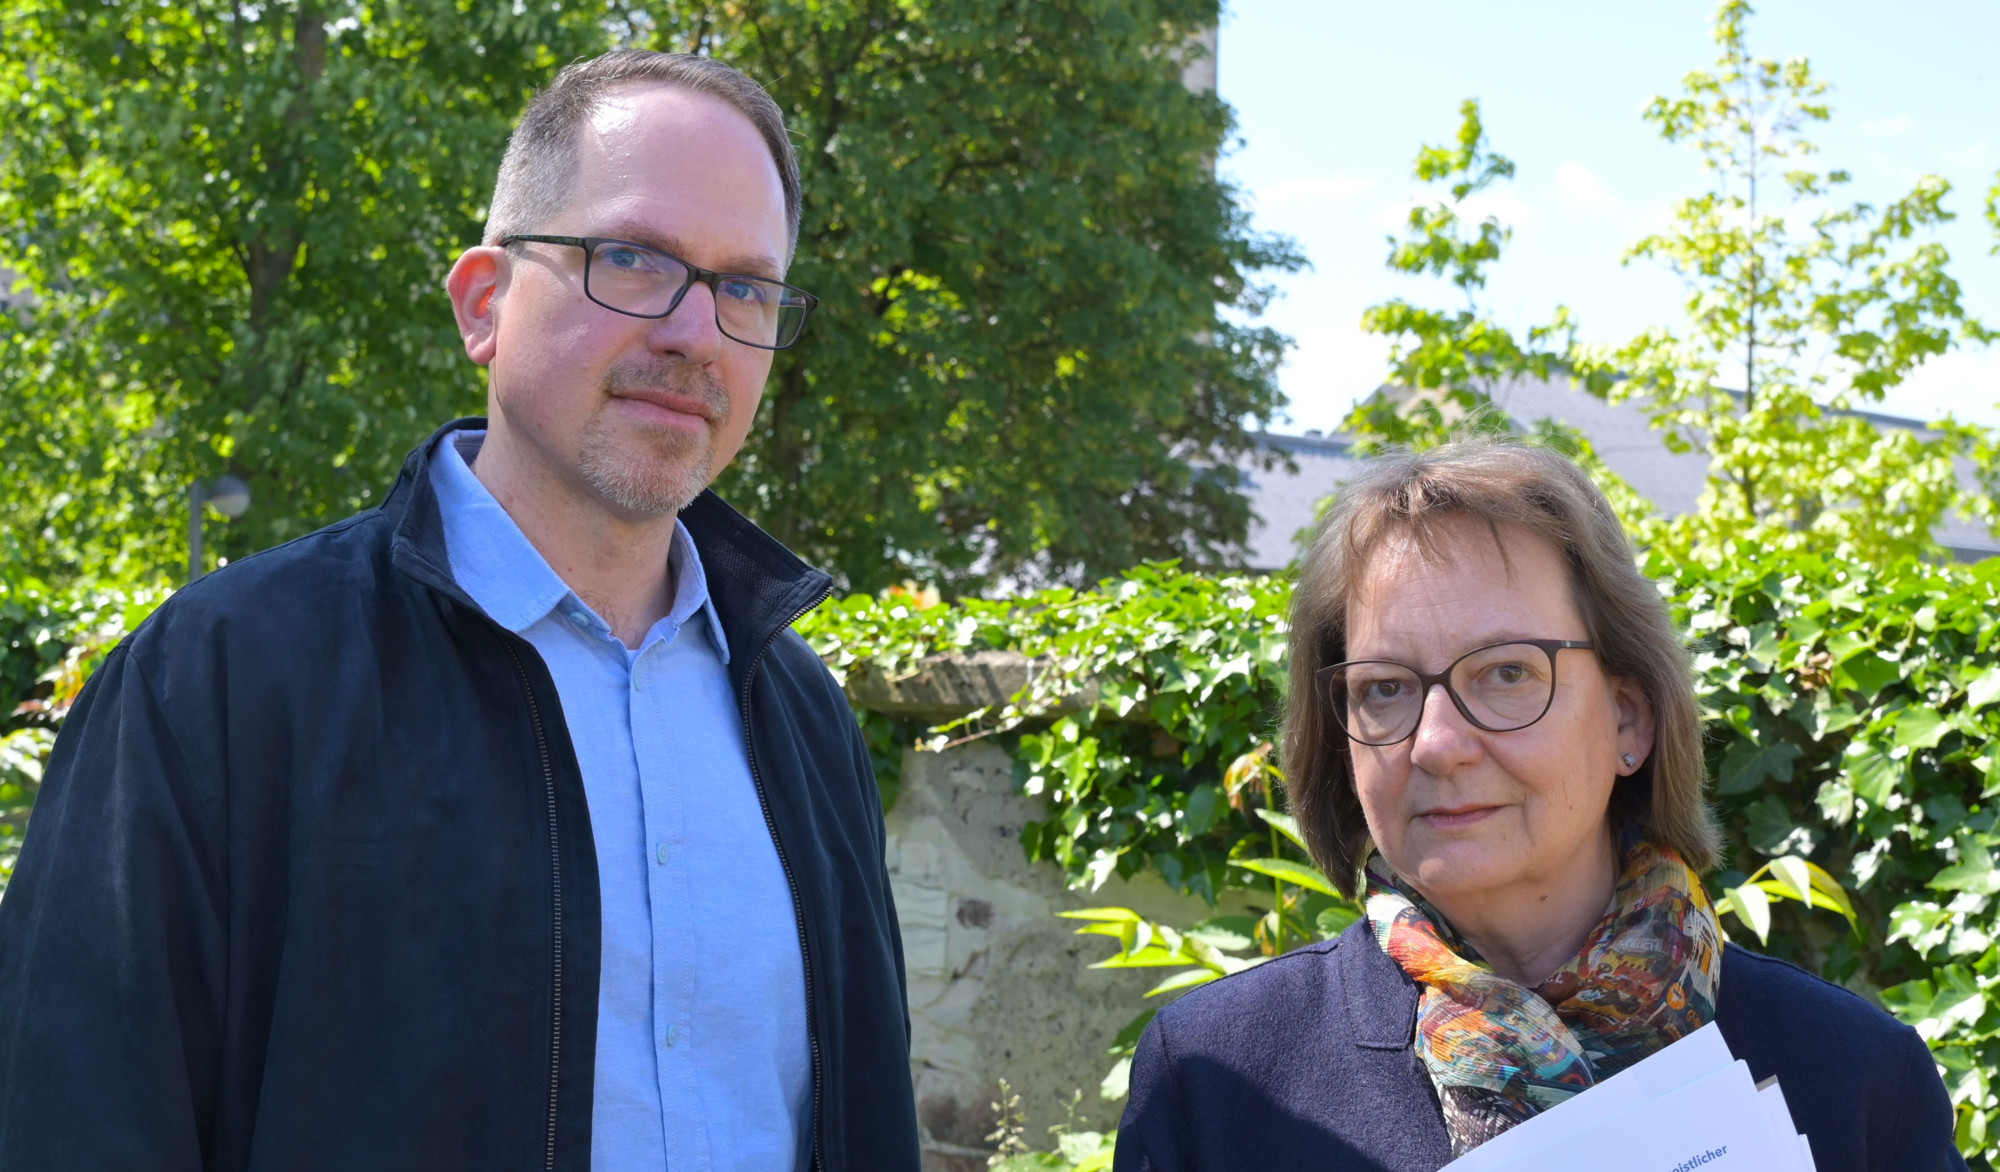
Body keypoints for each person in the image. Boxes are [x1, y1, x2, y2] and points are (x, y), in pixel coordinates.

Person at [0, 50, 919, 1172]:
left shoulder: (803, 720)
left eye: (745, 289)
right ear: (485, 304)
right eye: (632, 259)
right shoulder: (221, 679)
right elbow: (76, 1118)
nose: (695, 333)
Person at [1113, 442, 1963, 1172]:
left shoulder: (1855, 1076)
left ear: (1628, 719)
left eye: (1507, 672)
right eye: (1385, 688)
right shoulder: (1216, 1079)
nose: (1435, 742)